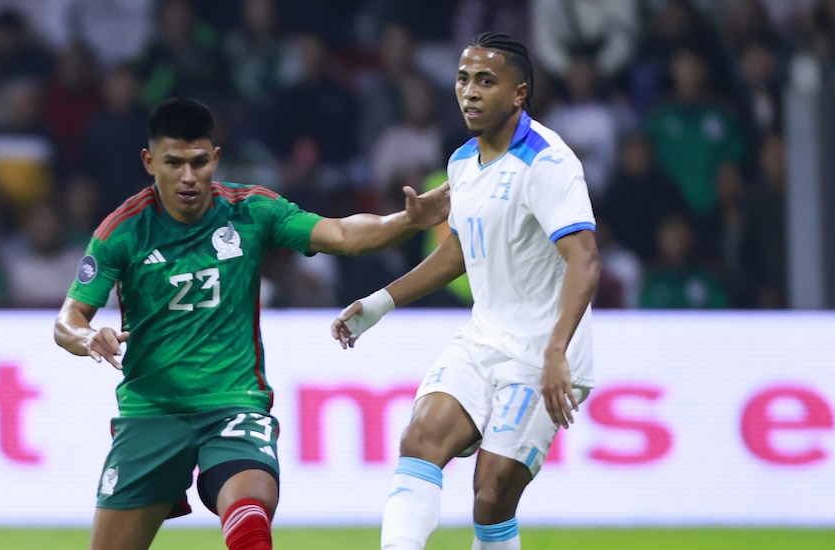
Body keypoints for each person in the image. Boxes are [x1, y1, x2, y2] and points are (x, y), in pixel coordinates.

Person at [53, 97, 450, 550]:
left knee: (251, 526)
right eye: (174, 163)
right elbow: (68, 319)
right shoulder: (122, 230)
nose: (188, 177)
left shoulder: (251, 211)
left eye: (199, 162)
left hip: (233, 406)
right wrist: (88, 338)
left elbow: (341, 234)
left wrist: (407, 221)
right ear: (149, 162)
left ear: (215, 158)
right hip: (151, 413)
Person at [331, 33, 602, 550]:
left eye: (485, 81)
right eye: (462, 79)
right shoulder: (461, 163)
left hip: (543, 353)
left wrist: (555, 351)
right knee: (420, 438)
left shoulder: (547, 163)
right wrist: (379, 304)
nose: (469, 92)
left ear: (519, 93)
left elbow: (585, 261)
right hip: (484, 340)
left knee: (491, 494)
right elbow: (460, 251)